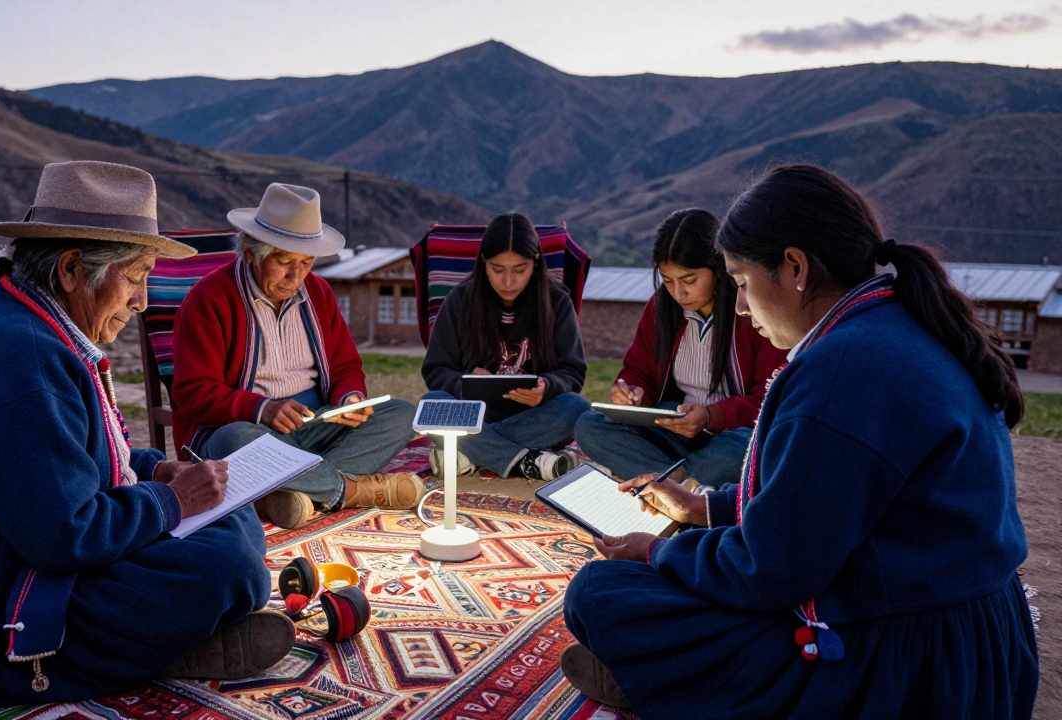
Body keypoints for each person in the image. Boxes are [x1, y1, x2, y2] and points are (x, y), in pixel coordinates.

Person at [561, 165, 1038, 718]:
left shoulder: (840, 370)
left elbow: (773, 571)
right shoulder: (896, 325)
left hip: (907, 662)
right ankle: (673, 678)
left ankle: (688, 685)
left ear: (794, 268)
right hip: (977, 639)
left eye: (740, 282)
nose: (740, 305)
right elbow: (830, 507)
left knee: (602, 591)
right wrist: (707, 507)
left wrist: (660, 550)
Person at [0, 162, 292, 706]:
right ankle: (165, 650)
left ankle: (158, 644)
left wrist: (149, 469)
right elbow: (62, 535)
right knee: (225, 569)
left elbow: (69, 458)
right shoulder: (17, 356)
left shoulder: (37, 326)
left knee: (231, 518)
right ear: (72, 269)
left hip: (15, 559)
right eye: (137, 276)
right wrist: (170, 499)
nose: (142, 301)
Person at [173, 183, 421, 529]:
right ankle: (347, 490)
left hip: (316, 422)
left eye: (306, 263)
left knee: (402, 413)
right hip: (250, 427)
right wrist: (262, 408)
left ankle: (296, 490)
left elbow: (346, 366)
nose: (296, 276)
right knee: (234, 441)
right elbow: (192, 392)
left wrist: (349, 397)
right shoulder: (209, 299)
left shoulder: (319, 293)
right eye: (283, 261)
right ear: (250, 251)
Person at [574, 209, 785, 488]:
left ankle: (671, 480)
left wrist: (711, 416)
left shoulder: (750, 310)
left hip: (735, 432)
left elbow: (772, 399)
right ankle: (689, 482)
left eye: (689, 280)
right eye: (668, 280)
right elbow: (639, 370)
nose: (678, 293)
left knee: (742, 452)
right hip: (676, 425)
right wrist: (632, 392)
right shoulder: (662, 308)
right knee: (590, 426)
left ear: (718, 268)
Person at [421, 213, 589, 481]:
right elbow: (435, 371)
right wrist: (465, 384)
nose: (508, 282)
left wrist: (548, 386)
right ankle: (526, 461)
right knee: (431, 404)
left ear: (535, 263)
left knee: (576, 408)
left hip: (534, 416)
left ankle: (468, 454)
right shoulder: (459, 300)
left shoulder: (557, 302)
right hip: (473, 414)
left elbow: (573, 371)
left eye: (519, 270)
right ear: (483, 263)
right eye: (498, 270)